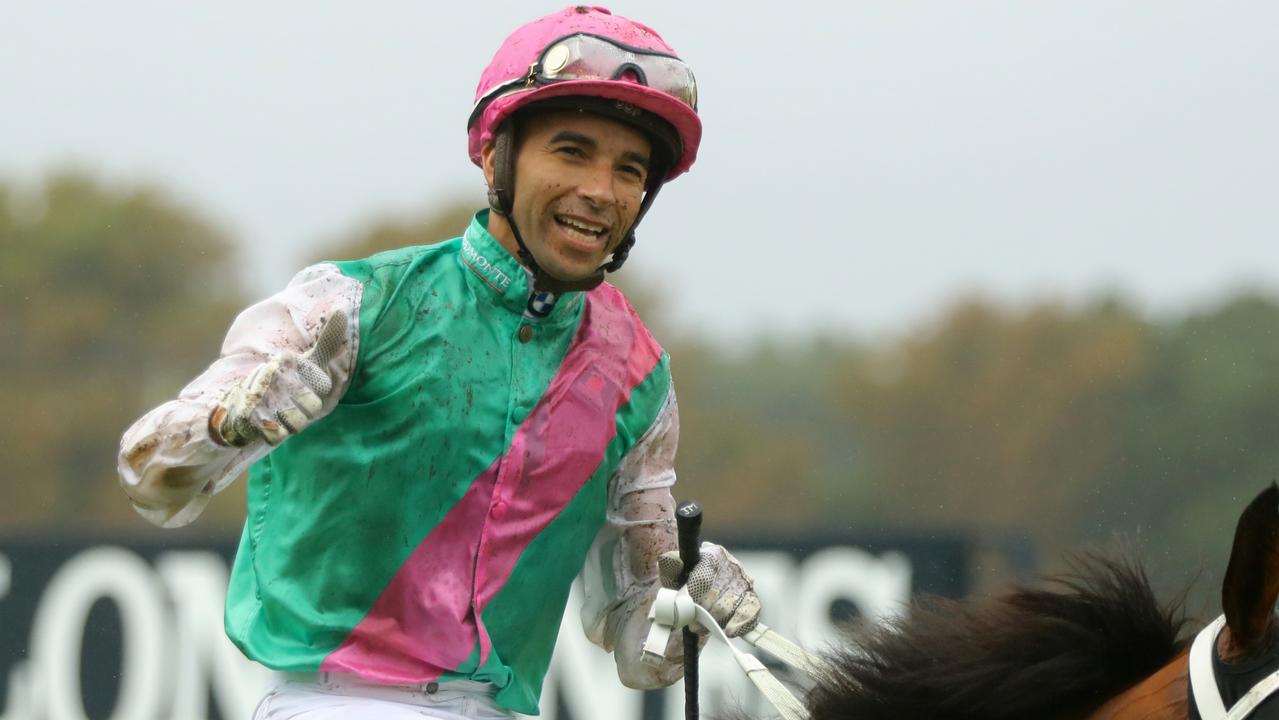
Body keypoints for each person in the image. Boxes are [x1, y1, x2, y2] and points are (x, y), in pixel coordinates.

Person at [117, 6, 761, 719]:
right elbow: (150, 477)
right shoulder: (354, 306)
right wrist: (230, 420)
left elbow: (640, 647)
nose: (600, 191)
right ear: (496, 158)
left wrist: (689, 602)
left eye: (628, 169)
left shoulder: (640, 376)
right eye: (571, 151)